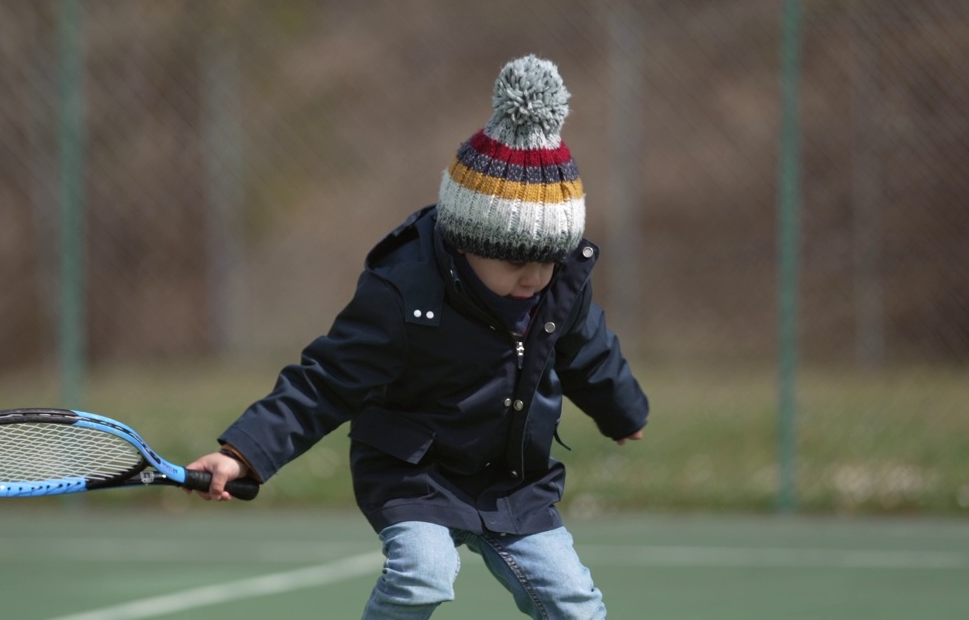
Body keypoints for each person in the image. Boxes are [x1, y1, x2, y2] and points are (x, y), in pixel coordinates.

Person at [189, 54, 649, 619]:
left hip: (513, 482)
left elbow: (590, 352)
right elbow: (325, 383)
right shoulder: (403, 293)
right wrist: (244, 453)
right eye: (514, 262)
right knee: (423, 577)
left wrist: (623, 411)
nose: (533, 278)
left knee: (574, 602)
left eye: (547, 261)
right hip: (415, 474)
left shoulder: (557, 289)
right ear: (465, 241)